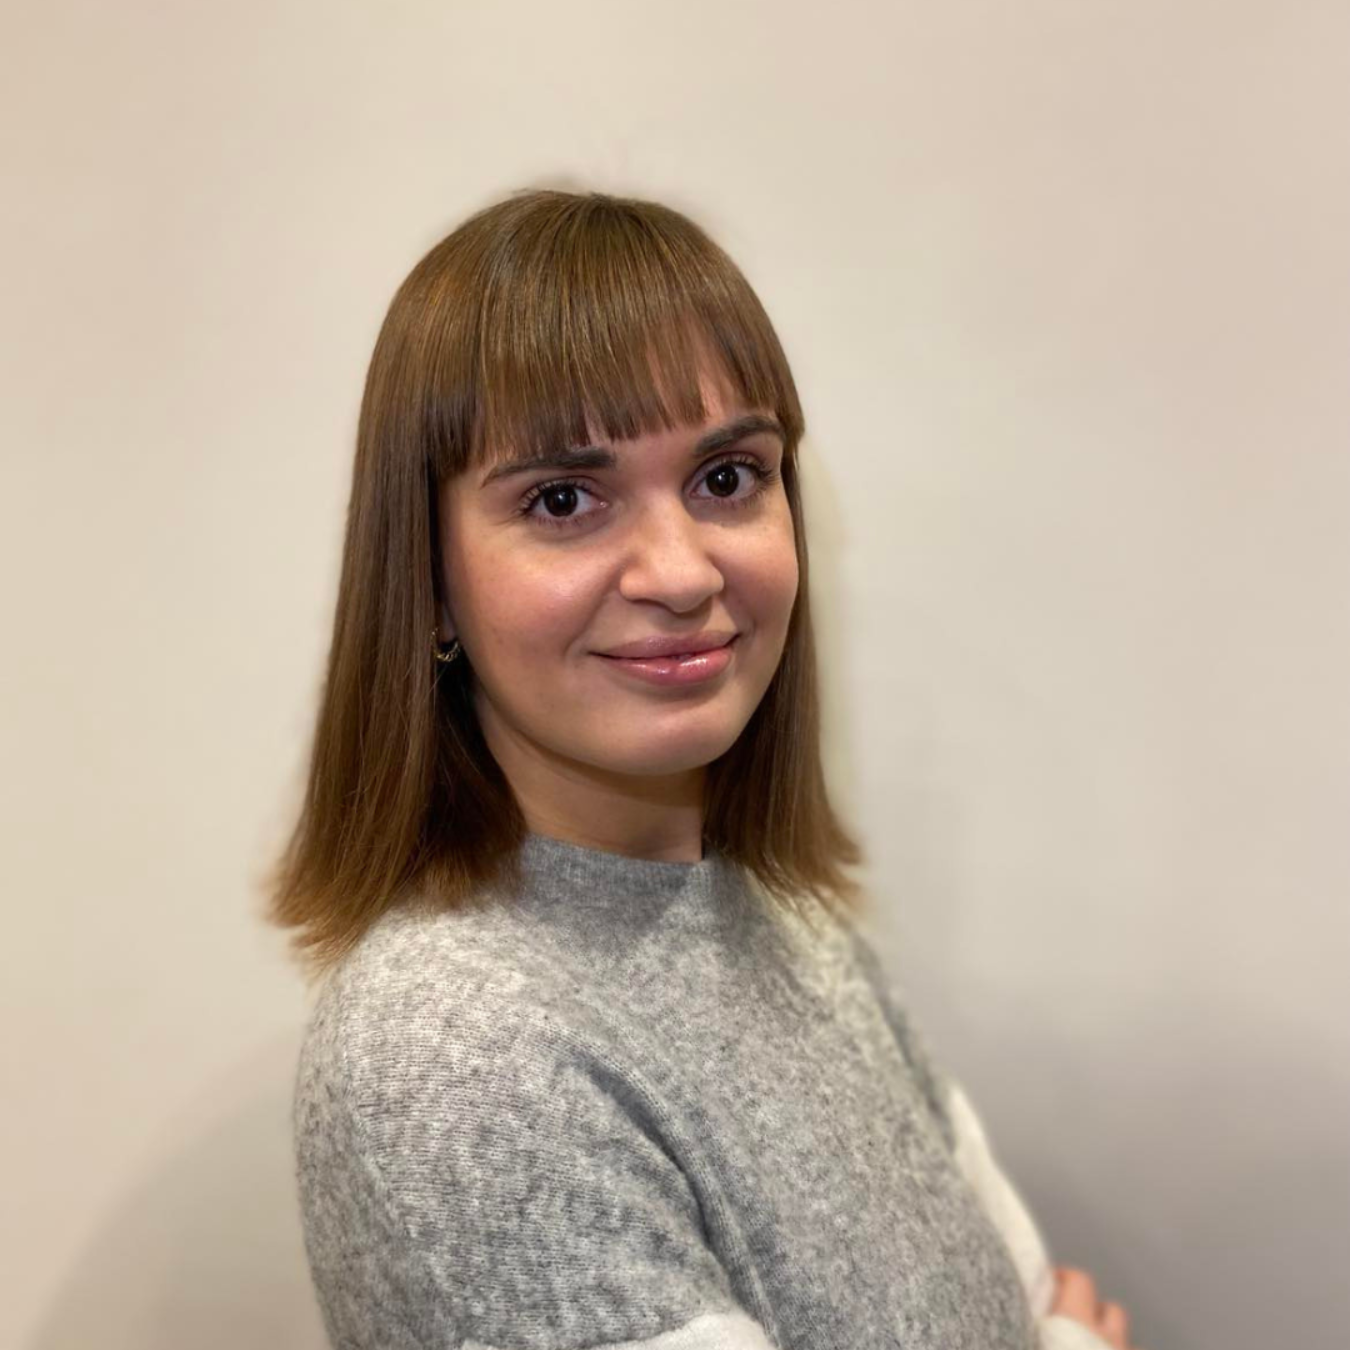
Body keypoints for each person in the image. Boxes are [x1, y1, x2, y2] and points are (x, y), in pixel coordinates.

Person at [265, 186, 1143, 1350]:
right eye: (564, 498)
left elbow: (1019, 1296)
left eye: (727, 478)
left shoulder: (784, 921)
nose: (680, 573)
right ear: (429, 581)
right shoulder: (451, 1055)